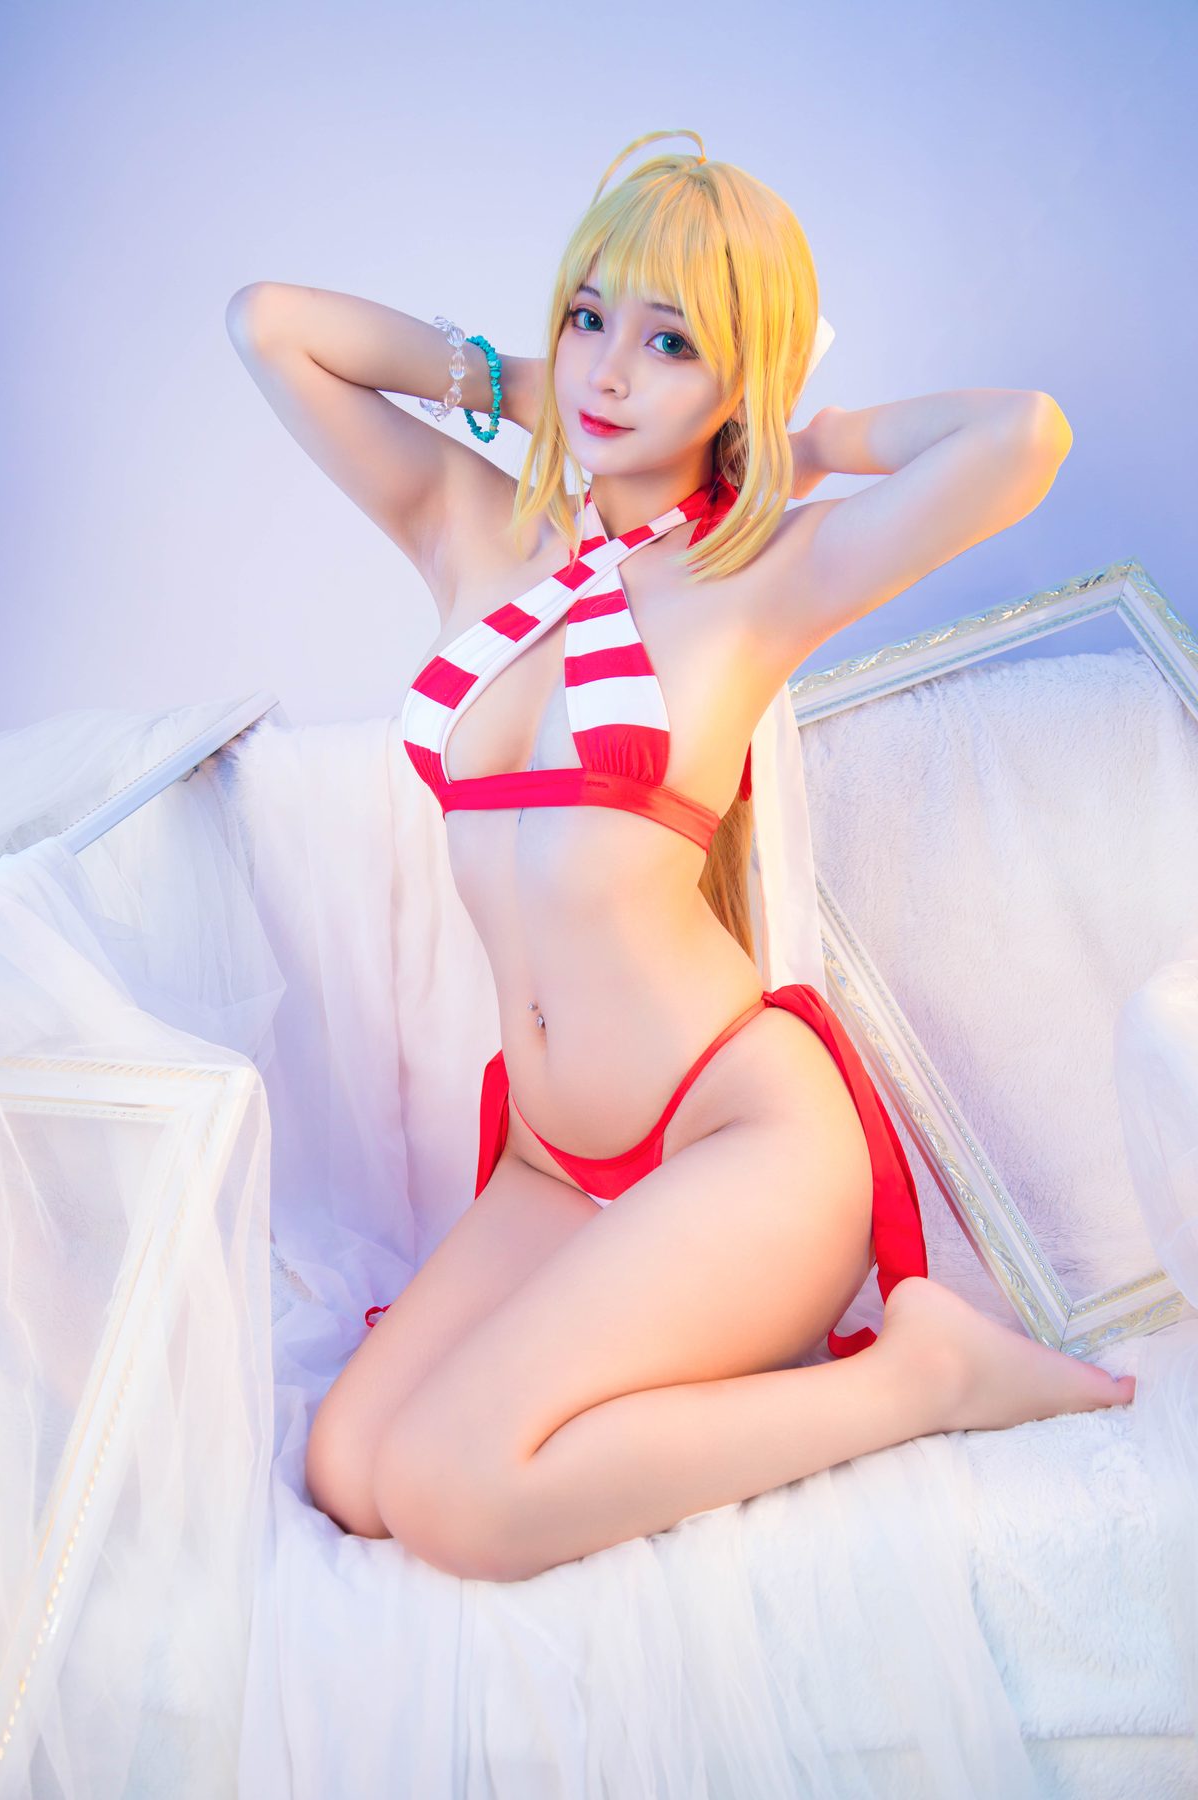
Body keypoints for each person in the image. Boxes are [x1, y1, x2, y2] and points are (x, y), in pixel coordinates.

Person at [227, 128, 1136, 1583]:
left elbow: (1024, 438)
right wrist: (525, 384)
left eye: (670, 343)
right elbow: (270, 324)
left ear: (738, 380)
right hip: (556, 1164)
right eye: (590, 317)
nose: (609, 372)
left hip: (741, 1146)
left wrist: (802, 438)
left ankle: (924, 1377)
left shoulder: (763, 576)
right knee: (350, 1471)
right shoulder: (474, 530)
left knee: (455, 1495)